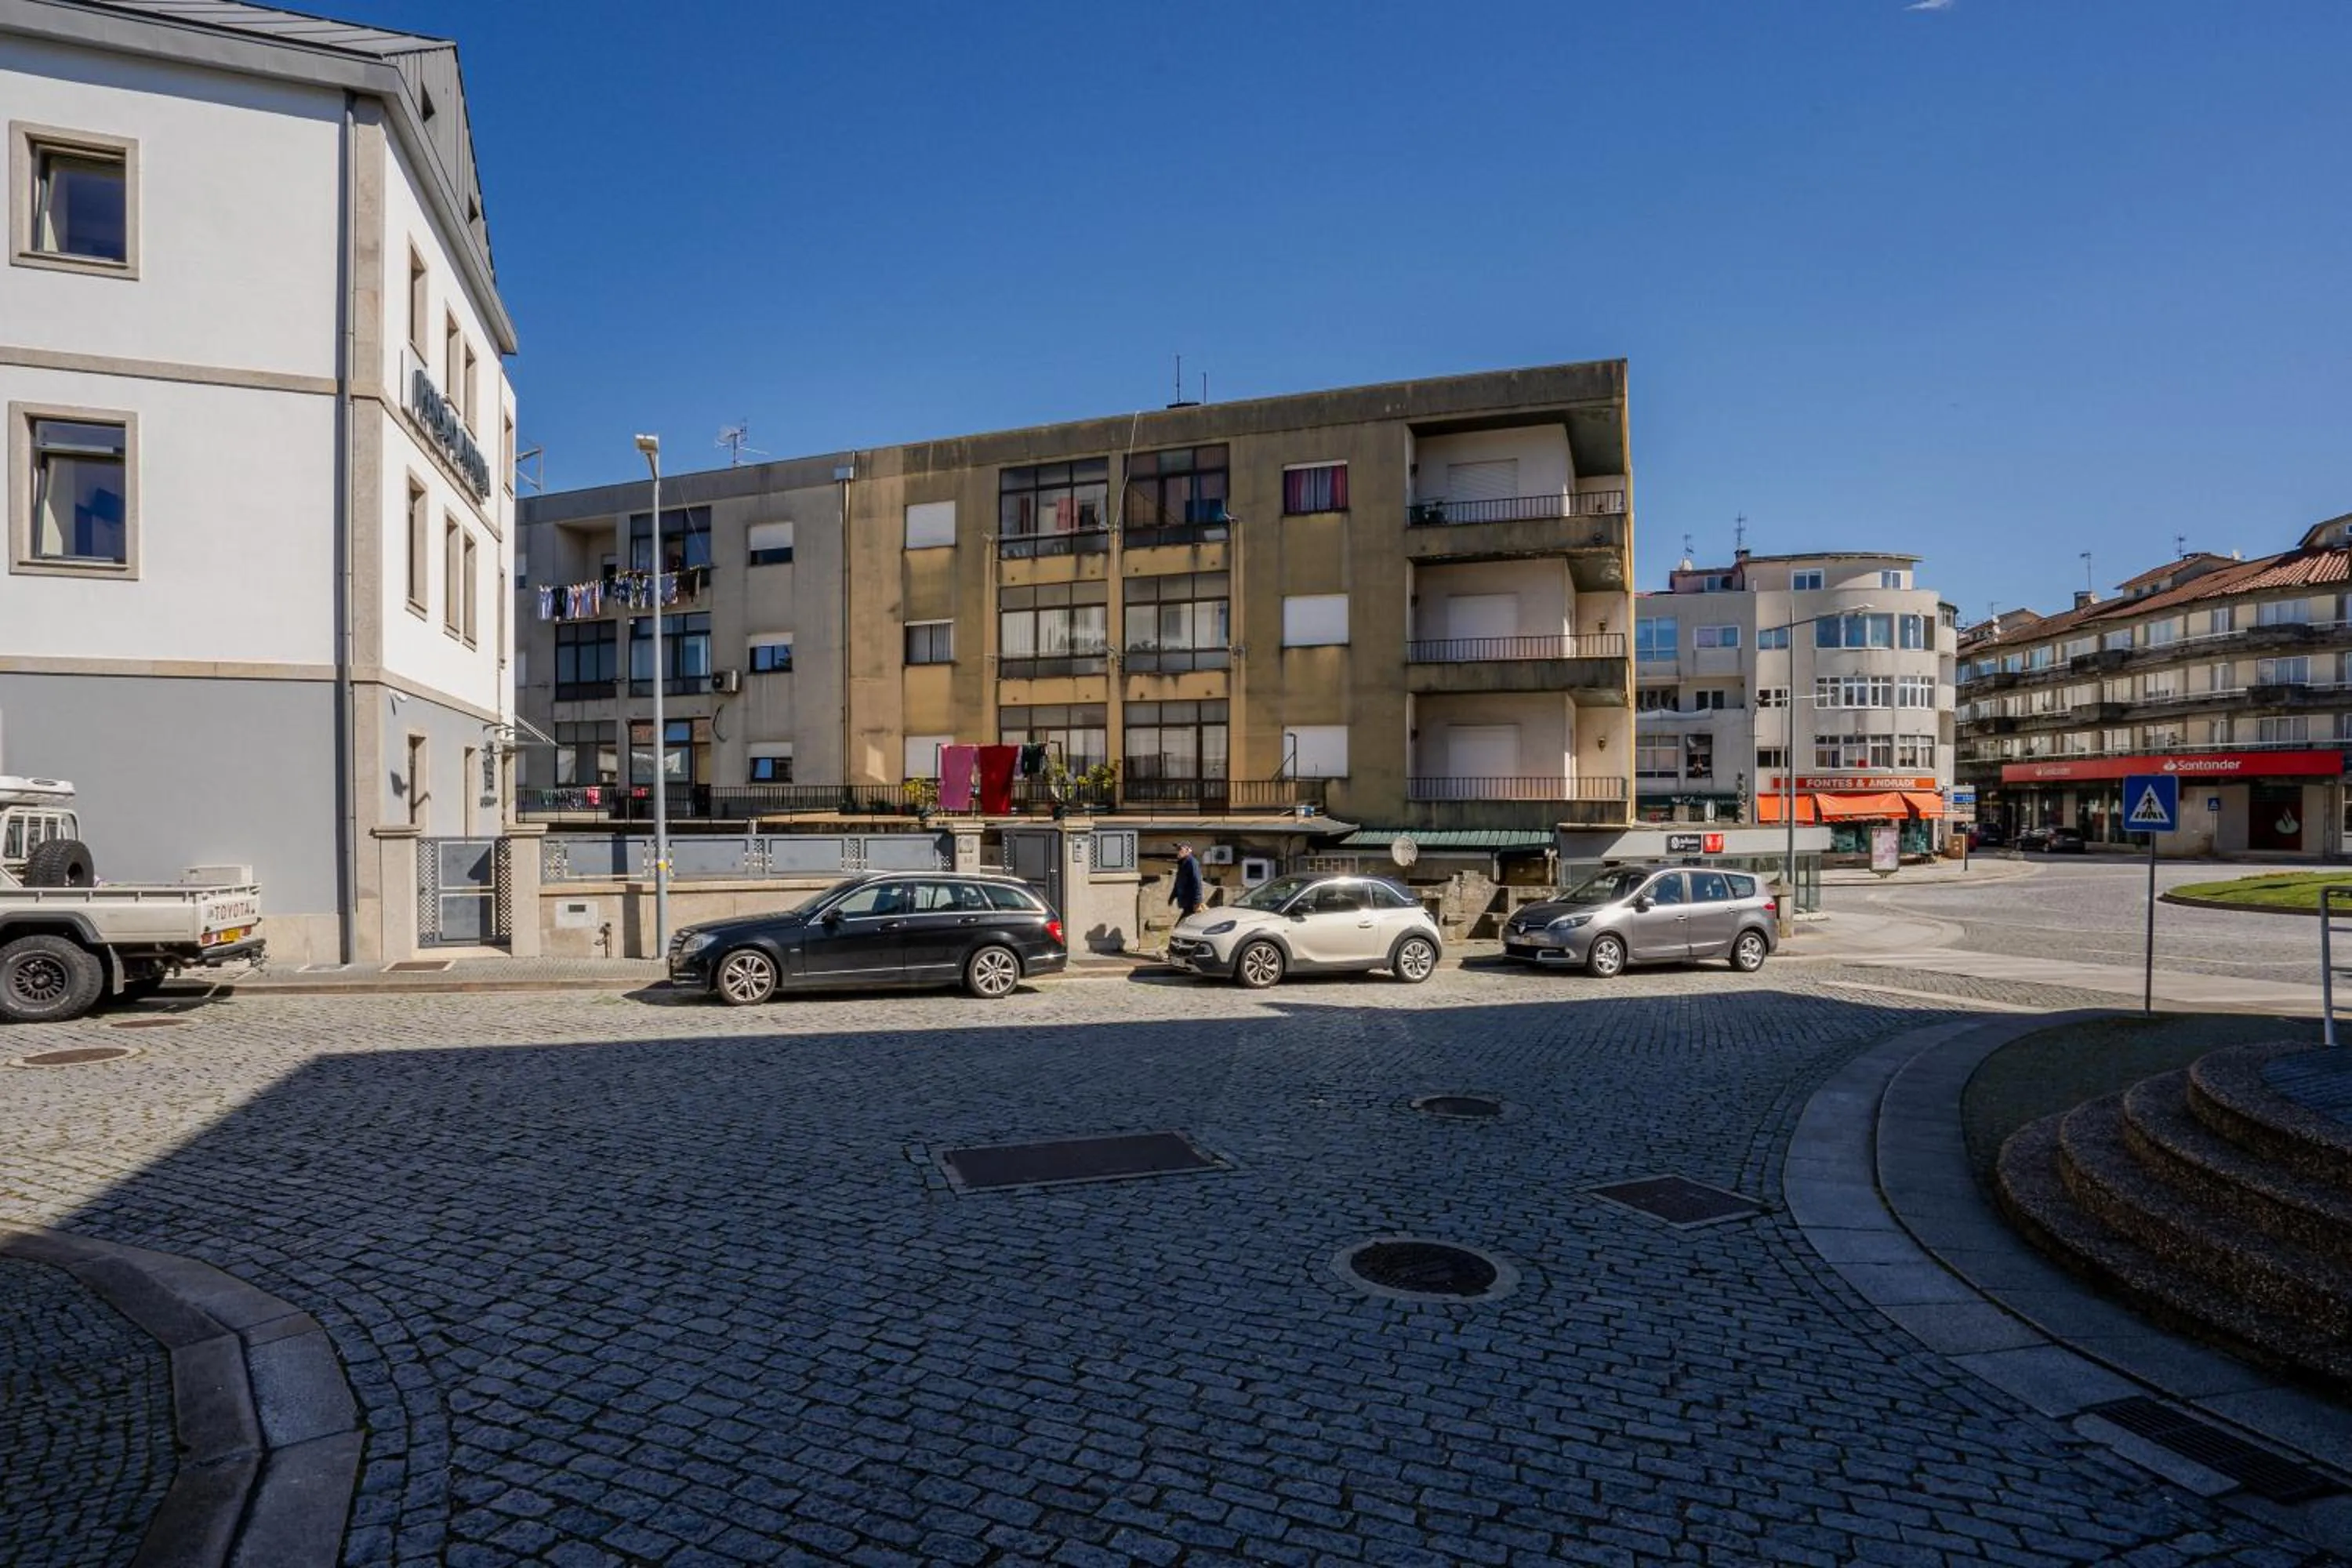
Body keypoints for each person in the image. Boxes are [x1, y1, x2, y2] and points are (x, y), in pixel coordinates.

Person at [1170, 842, 1205, 920]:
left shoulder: (1192, 863)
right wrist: (1172, 897)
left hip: (1192, 903)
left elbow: (1197, 881)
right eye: (1177, 849)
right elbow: (1178, 882)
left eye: (1180, 849)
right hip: (1187, 902)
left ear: (1189, 850)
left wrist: (1197, 902)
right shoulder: (1183, 863)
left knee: (1182, 925)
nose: (1178, 851)